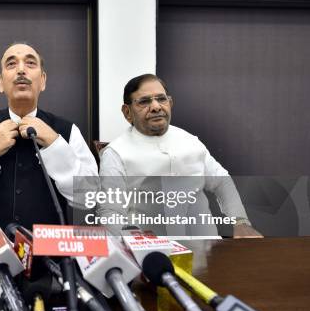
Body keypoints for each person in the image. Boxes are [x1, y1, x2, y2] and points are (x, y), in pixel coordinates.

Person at [0, 42, 98, 229]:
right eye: (11, 64)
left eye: (30, 63)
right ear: (1, 82)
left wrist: (54, 143)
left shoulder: (67, 130)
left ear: (42, 81)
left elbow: (89, 197)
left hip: (52, 253)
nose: (20, 70)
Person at [98, 74, 262, 238]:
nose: (156, 107)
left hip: (207, 250)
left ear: (170, 103)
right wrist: (139, 246)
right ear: (127, 112)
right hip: (154, 253)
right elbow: (110, 212)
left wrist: (241, 223)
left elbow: (221, 181)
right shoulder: (116, 153)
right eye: (144, 101)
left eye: (161, 99)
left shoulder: (190, 141)